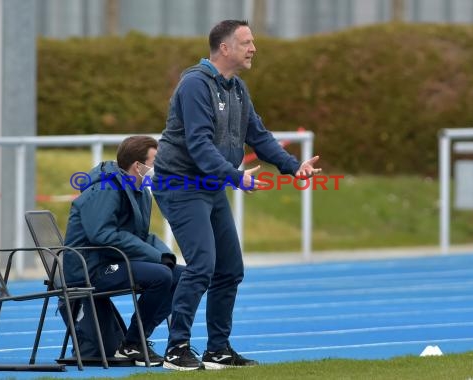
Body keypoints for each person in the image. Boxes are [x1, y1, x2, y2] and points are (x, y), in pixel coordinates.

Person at [152, 20, 322, 371]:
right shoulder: (195, 85)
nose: (253, 48)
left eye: (253, 42)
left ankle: (218, 350)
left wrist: (293, 167)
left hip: (210, 186)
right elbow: (198, 145)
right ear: (224, 48)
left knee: (230, 269)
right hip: (181, 184)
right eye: (246, 42)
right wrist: (235, 177)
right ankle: (176, 348)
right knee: (202, 265)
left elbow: (258, 136)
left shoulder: (237, 88)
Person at [63, 135, 184, 367]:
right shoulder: (105, 189)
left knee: (182, 276)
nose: (160, 166)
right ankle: (133, 344)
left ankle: (133, 342)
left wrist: (164, 255)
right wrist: (156, 258)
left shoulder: (141, 190)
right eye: (155, 161)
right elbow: (102, 234)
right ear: (138, 166)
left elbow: (140, 235)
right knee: (161, 276)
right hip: (89, 268)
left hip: (110, 260)